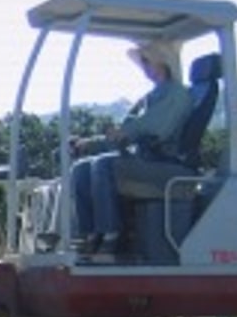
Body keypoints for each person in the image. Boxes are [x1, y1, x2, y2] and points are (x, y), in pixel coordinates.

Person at [70, 38, 189, 255]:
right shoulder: (150, 97)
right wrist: (90, 143)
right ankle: (90, 235)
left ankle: (111, 236)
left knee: (103, 166)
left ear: (162, 63)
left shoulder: (176, 94)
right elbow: (126, 130)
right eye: (142, 62)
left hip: (166, 163)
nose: (144, 67)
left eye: (147, 61)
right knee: (80, 168)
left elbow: (154, 128)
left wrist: (125, 134)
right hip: (146, 160)